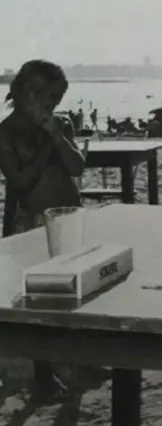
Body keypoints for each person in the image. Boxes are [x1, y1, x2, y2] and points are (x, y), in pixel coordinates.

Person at [0, 59, 86, 399]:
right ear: (19, 92)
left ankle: (77, 359)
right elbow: (19, 181)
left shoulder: (61, 125)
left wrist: (56, 136)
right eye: (38, 94)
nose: (46, 103)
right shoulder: (6, 131)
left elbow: (77, 166)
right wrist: (47, 147)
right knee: (35, 299)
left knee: (73, 288)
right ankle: (43, 373)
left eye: (54, 97)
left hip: (68, 217)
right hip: (30, 221)